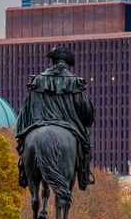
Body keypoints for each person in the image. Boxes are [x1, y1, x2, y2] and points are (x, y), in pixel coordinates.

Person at [15, 46, 95, 190]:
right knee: (86, 145)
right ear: (66, 63)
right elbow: (86, 111)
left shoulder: (38, 80)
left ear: (52, 62)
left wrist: (21, 133)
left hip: (39, 123)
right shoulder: (75, 82)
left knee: (25, 144)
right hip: (69, 125)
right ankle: (84, 176)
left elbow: (25, 109)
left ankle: (23, 172)